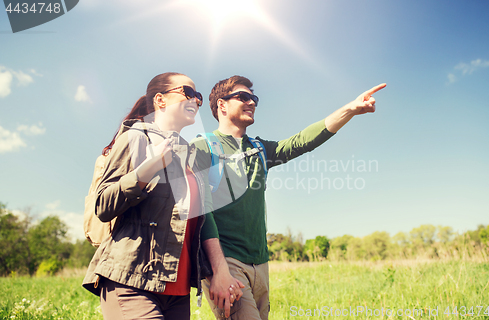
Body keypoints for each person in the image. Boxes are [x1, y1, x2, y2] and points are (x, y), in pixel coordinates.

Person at [193, 75, 386, 320]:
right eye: (243, 97)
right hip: (226, 263)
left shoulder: (260, 149)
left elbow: (302, 141)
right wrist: (217, 271)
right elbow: (198, 211)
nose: (251, 102)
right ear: (222, 105)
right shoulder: (203, 147)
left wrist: (349, 109)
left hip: (261, 263)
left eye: (254, 98)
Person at [82, 72, 243, 320]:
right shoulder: (135, 138)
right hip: (132, 282)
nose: (197, 101)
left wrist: (217, 270)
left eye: (198, 96)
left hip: (177, 292)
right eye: (187, 93)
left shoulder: (190, 156)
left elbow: (199, 224)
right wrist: (146, 170)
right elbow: (103, 205)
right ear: (160, 100)